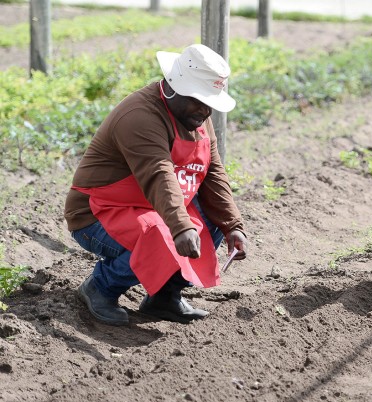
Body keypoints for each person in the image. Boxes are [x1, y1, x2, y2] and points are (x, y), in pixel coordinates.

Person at [64, 44, 248, 326]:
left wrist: (232, 225)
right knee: (163, 237)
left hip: (154, 205)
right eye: (198, 100)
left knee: (209, 223)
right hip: (99, 213)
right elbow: (158, 173)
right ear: (173, 87)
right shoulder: (140, 116)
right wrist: (181, 226)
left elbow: (212, 172)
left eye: (209, 103)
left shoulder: (195, 115)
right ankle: (100, 287)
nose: (205, 110)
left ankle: (164, 298)